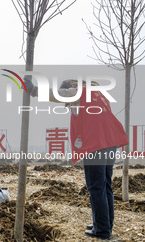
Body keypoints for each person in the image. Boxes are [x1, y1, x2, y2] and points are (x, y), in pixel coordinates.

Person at [25, 78, 128, 240]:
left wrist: (34, 90)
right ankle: (104, 224)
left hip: (96, 145)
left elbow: (59, 95)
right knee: (105, 185)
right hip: (110, 143)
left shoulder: (79, 91)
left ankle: (102, 229)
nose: (71, 106)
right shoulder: (98, 94)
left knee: (96, 187)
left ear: (71, 88)